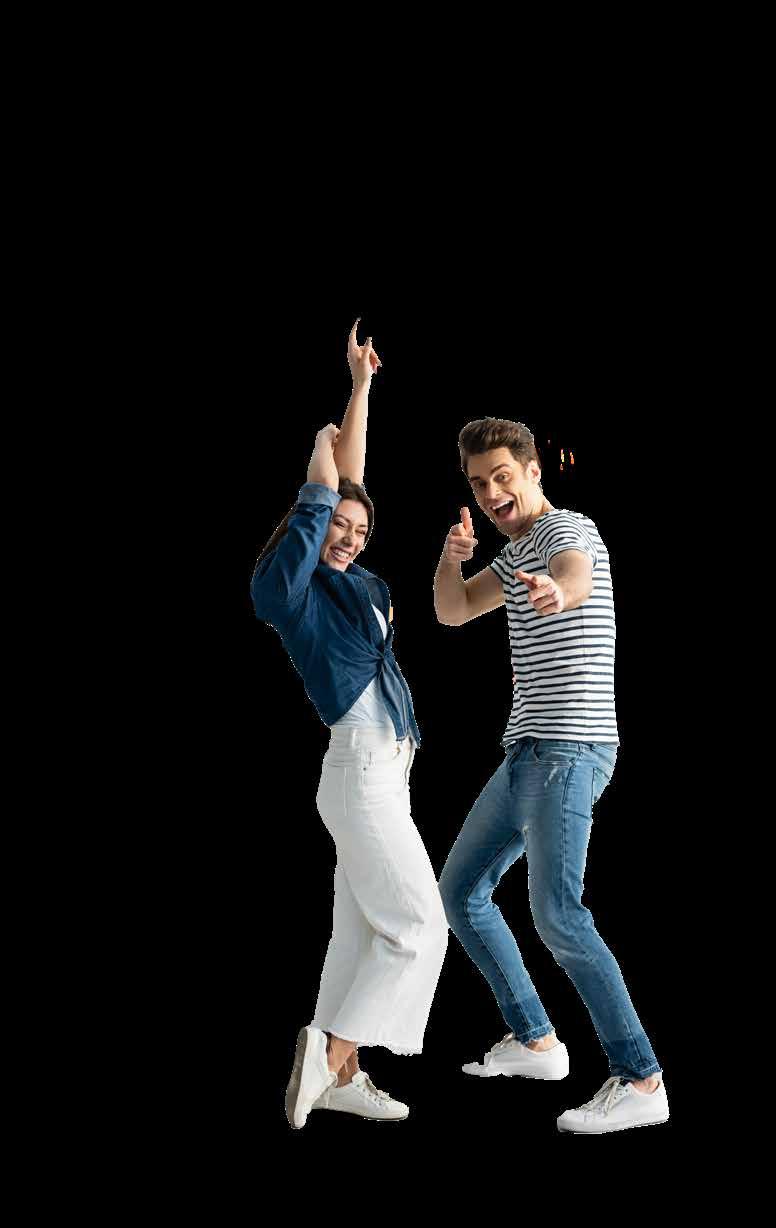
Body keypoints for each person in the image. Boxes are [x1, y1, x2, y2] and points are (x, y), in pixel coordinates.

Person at [434, 419, 669, 1134]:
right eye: (479, 483)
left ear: (533, 471)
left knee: (559, 915)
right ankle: (536, 1041)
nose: (492, 493)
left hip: (570, 748)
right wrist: (452, 558)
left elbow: (576, 574)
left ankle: (642, 1080)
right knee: (461, 893)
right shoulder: (511, 556)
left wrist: (558, 595)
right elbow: (452, 611)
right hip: (525, 754)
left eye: (503, 475)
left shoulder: (567, 529)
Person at [250, 321, 448, 1130]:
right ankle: (331, 1053)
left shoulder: (357, 583)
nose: (351, 537)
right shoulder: (290, 589)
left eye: (362, 532)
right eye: (339, 525)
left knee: (363, 932)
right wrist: (318, 478)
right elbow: (332, 492)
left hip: (387, 774)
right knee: (421, 927)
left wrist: (362, 387)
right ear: (314, 520)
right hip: (360, 770)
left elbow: (354, 481)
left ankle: (344, 1076)